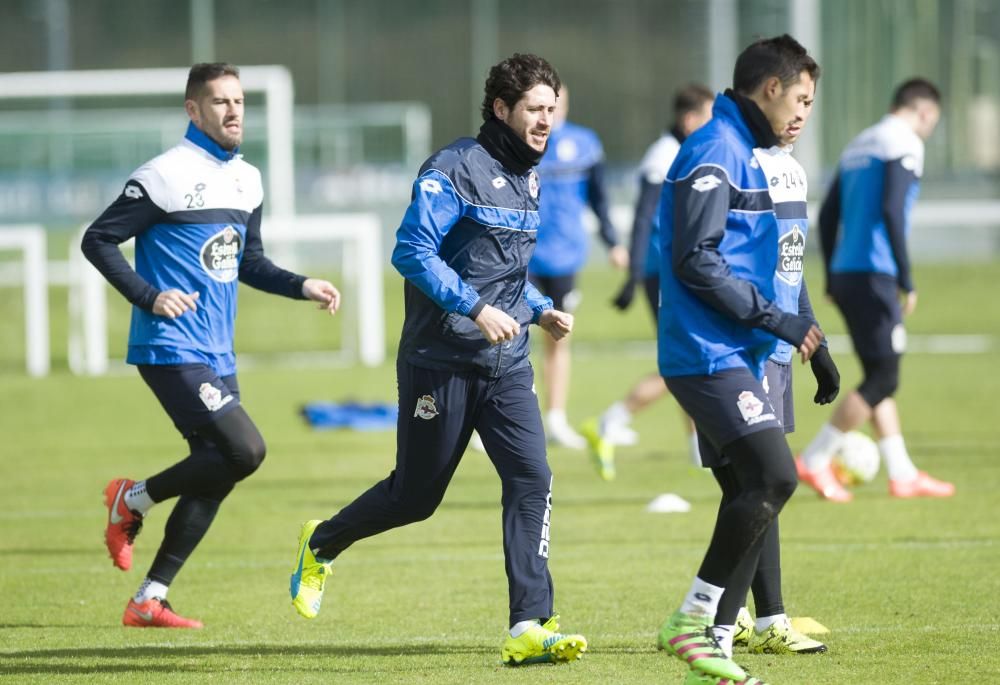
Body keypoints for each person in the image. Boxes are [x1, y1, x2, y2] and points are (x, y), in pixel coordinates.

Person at [288, 53, 587, 667]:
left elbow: (505, 271)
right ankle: (320, 545)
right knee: (415, 498)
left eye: (552, 110)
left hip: (506, 366)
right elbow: (413, 251)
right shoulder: (453, 169)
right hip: (439, 360)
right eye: (534, 109)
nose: (545, 122)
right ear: (501, 109)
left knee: (532, 478)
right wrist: (475, 308)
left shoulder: (531, 176)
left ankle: (529, 624)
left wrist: (540, 308)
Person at [82, 63, 342, 628]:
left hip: (216, 352)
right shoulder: (164, 176)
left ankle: (149, 597)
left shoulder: (248, 179)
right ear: (193, 110)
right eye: (220, 101)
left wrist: (301, 285)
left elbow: (247, 261)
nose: (233, 111)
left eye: (239, 101)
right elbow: (97, 238)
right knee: (245, 450)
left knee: (219, 467)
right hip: (169, 344)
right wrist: (148, 296)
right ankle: (131, 500)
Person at [653, 35, 824, 685]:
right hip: (705, 352)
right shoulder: (716, 150)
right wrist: (776, 320)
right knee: (772, 477)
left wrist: (809, 337)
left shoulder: (752, 152)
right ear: (771, 88)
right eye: (801, 98)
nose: (804, 111)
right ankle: (698, 622)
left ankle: (714, 632)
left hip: (746, 350)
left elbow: (780, 257)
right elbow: (696, 259)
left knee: (761, 482)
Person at [796, 78, 954, 503]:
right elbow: (891, 210)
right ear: (925, 112)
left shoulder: (860, 143)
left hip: (848, 273)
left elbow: (827, 216)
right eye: (932, 122)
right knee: (884, 377)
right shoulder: (904, 143)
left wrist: (831, 274)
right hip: (875, 273)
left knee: (877, 374)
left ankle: (902, 473)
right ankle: (813, 459)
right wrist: (906, 276)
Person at [581, 84, 714, 483]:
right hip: (666, 275)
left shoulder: (681, 152)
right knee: (685, 361)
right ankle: (610, 421)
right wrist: (634, 275)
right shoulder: (664, 156)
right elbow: (643, 218)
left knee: (690, 360)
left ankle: (697, 449)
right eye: (708, 118)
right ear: (690, 119)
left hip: (675, 272)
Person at [529, 85, 628, 449]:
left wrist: (614, 242)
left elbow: (600, 199)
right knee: (509, 337)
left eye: (555, 105)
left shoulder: (585, 144)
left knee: (558, 336)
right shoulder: (520, 144)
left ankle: (555, 418)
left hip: (566, 257)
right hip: (523, 257)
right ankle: (500, 416)